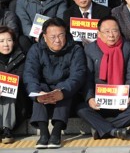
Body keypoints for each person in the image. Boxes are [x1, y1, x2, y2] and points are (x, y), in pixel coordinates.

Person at [76, 16, 130, 140]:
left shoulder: (127, 48)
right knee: (81, 108)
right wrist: (90, 98)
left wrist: (129, 97)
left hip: (120, 102)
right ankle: (114, 131)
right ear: (99, 34)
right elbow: (88, 79)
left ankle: (102, 129)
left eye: (115, 30)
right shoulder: (90, 49)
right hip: (99, 101)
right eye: (107, 31)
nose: (111, 35)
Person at [23, 18, 86, 149]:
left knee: (63, 90)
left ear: (66, 34)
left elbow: (77, 76)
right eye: (52, 37)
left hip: (67, 92)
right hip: (44, 89)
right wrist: (37, 93)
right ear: (44, 37)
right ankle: (44, 133)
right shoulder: (35, 49)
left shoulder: (75, 49)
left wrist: (62, 92)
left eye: (61, 35)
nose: (57, 40)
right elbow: (30, 74)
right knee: (39, 90)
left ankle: (56, 133)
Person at [0, 26, 27, 144]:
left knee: (9, 90)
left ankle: (7, 129)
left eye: (9, 40)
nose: (6, 44)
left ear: (14, 42)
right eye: (1, 41)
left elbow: (21, 78)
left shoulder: (21, 57)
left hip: (18, 102)